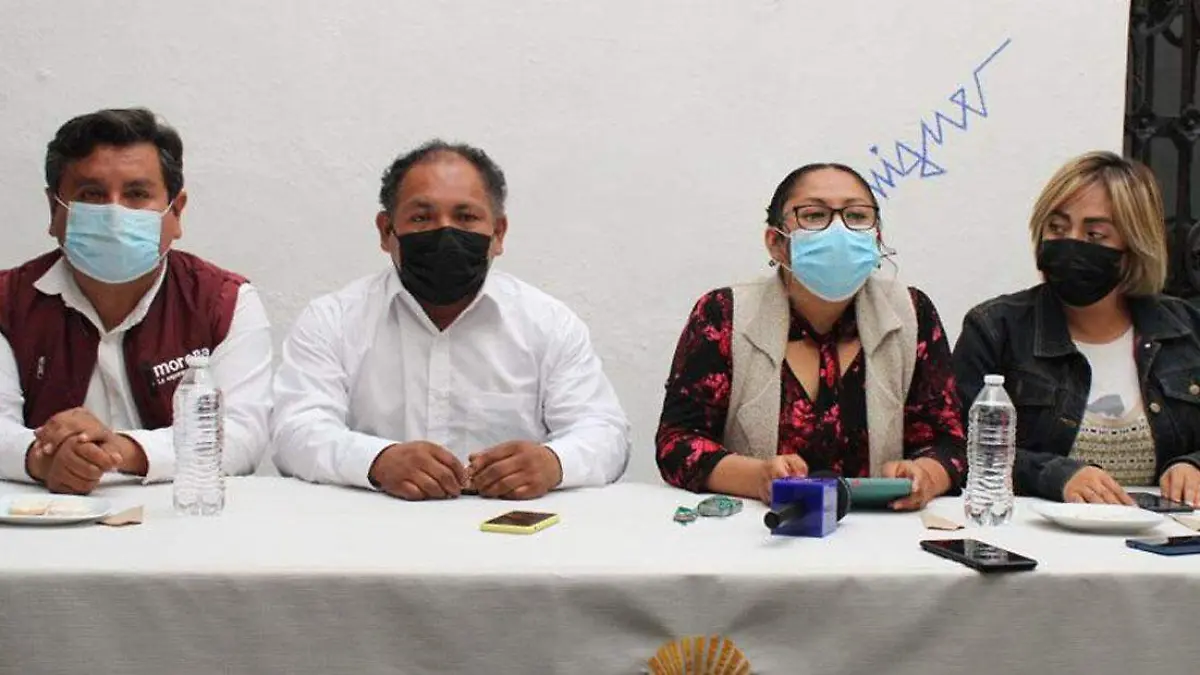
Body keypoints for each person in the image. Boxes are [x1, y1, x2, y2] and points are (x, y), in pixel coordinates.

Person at [272, 140, 630, 500]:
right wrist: (376, 461)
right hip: (370, 526)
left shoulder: (548, 324)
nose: (445, 232)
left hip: (505, 528)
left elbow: (605, 433)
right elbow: (295, 432)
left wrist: (553, 463)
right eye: (421, 218)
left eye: (466, 217)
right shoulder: (332, 321)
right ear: (386, 231)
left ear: (499, 233)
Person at [655, 163, 966, 508]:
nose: (839, 230)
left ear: (876, 238)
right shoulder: (724, 314)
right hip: (759, 529)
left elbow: (949, 443)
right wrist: (758, 478)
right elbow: (677, 444)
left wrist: (925, 476)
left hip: (880, 529)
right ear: (776, 243)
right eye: (815, 216)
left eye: (857, 216)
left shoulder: (911, 313)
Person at [0, 108, 273, 494]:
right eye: (92, 195)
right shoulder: (8, 302)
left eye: (137, 194)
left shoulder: (224, 302)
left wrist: (120, 450)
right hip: (42, 520)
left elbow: (241, 436)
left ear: (176, 212)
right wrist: (39, 458)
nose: (114, 213)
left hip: (177, 519)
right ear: (54, 209)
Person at [954, 151, 1200, 506]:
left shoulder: (1186, 330)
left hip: (1164, 534)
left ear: (1133, 246)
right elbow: (958, 447)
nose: (1071, 243)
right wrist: (1055, 475)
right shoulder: (995, 328)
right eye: (1057, 228)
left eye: (1094, 234)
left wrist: (1192, 466)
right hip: (1039, 532)